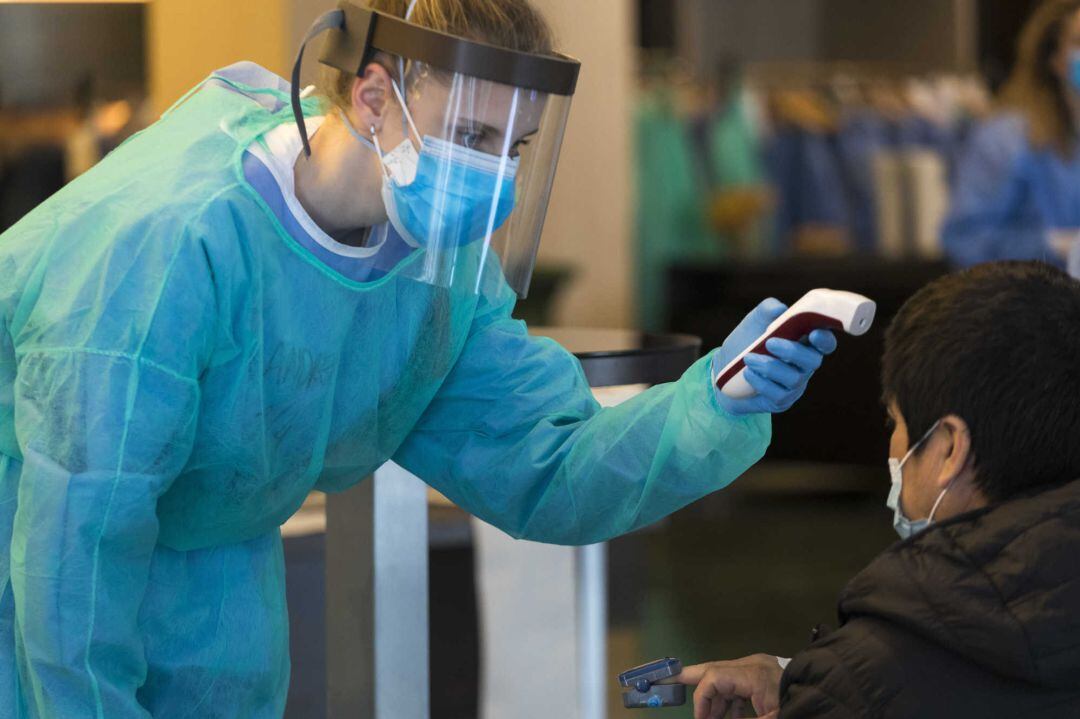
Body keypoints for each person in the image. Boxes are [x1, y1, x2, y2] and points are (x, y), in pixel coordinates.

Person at [0, 1, 839, 716]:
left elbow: (547, 463)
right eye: (471, 134)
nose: (495, 176)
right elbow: (75, 553)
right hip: (29, 548)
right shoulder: (172, 245)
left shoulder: (429, 278)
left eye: (511, 148)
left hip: (214, 562)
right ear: (372, 96)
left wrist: (711, 405)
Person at [674, 261, 1080, 718]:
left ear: (948, 449)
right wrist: (802, 678)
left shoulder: (871, 674)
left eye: (895, 420)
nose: (893, 443)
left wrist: (824, 692)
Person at [942, 0, 1080, 268]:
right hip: (1034, 302)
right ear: (1053, 58)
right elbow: (965, 241)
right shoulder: (1006, 138)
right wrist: (1057, 244)